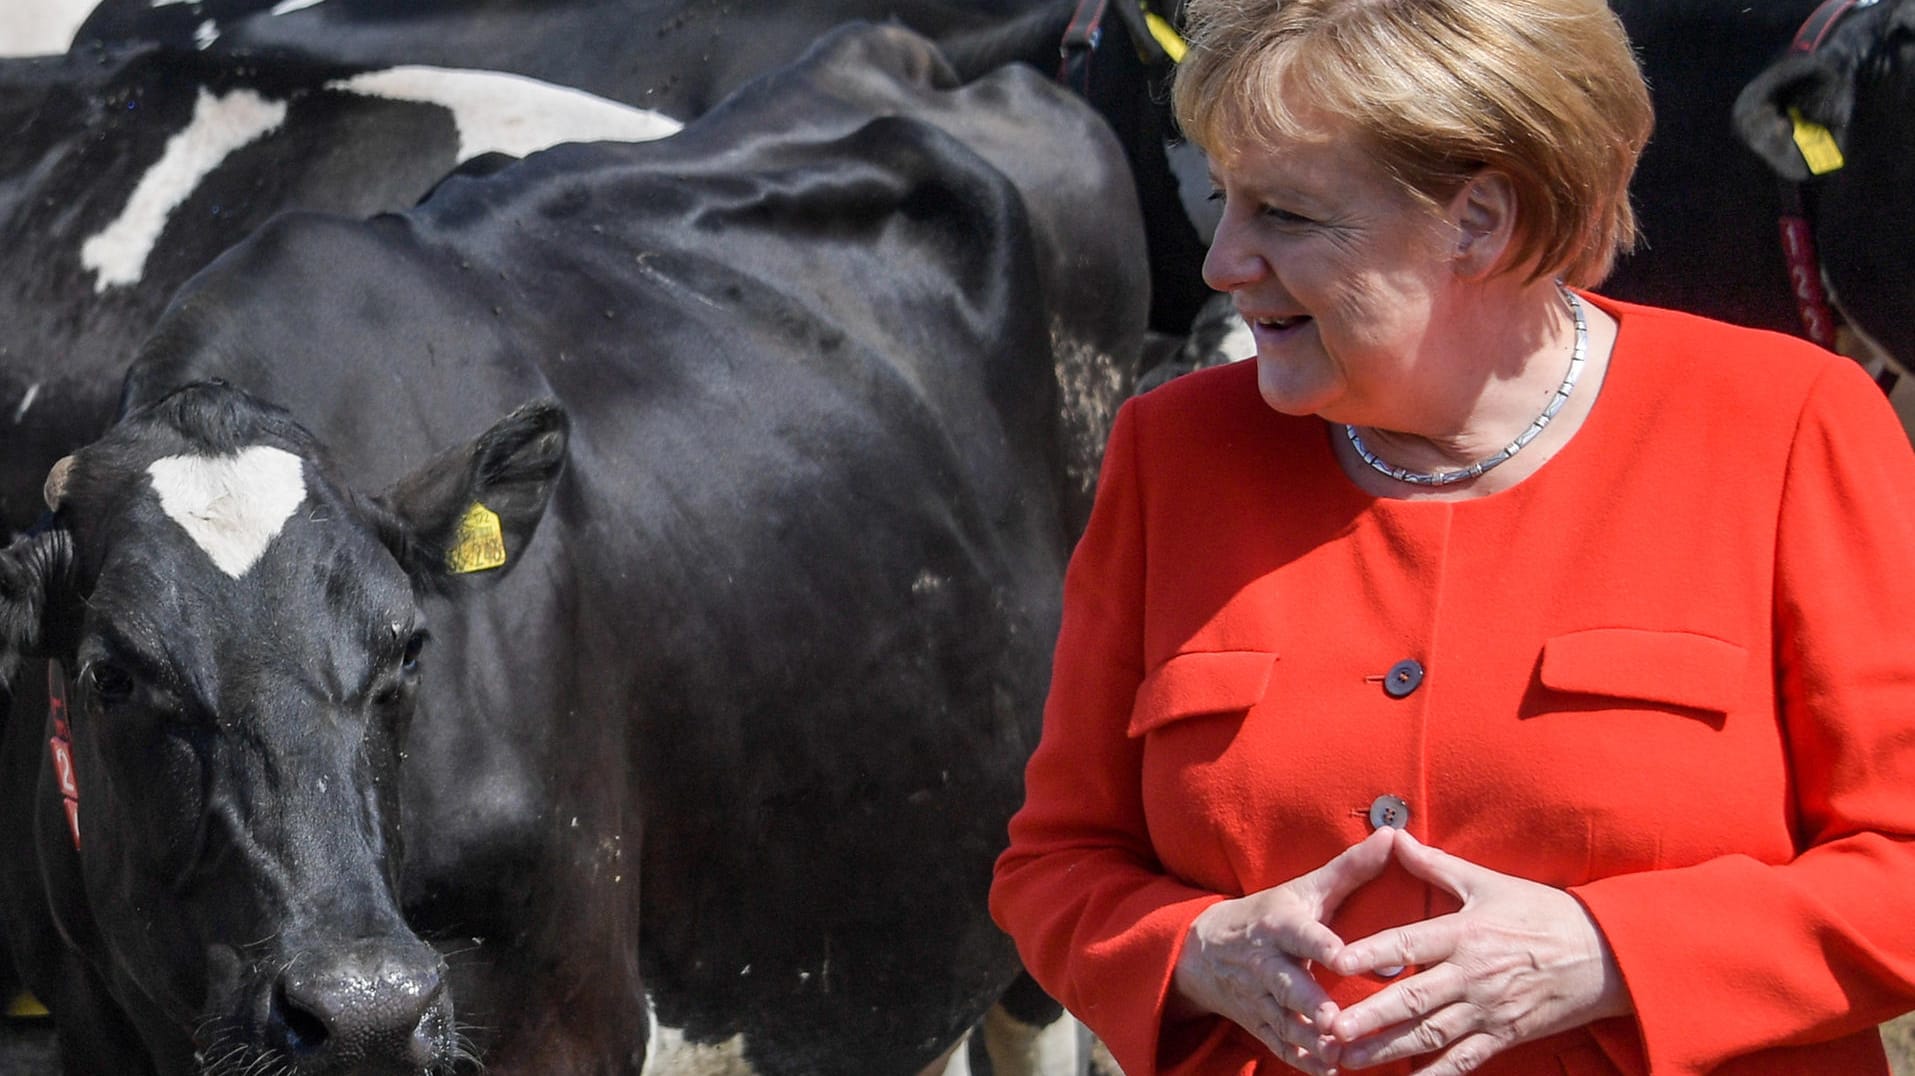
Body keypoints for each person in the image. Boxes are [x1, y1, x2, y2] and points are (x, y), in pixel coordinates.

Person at [986, 0, 1915, 1073]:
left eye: (1284, 214)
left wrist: (1609, 953)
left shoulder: (1785, 424)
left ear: (1479, 218)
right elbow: (1053, 863)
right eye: (1223, 201)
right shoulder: (1171, 452)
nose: (1223, 260)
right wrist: (1195, 947)